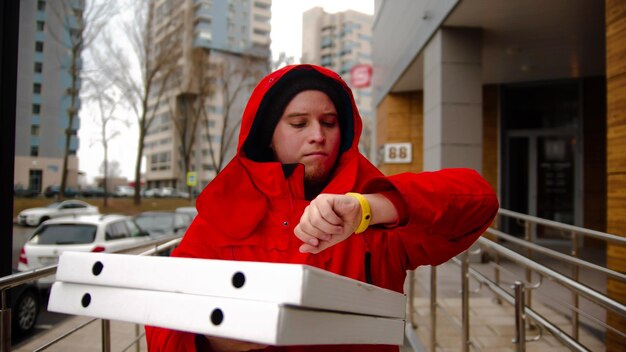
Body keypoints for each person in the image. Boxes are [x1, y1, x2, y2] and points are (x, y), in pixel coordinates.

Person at [146, 64, 499, 351]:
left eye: (329, 123)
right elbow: (163, 323)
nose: (317, 134)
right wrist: (214, 341)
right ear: (267, 135)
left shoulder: (372, 209)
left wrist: (371, 208)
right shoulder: (221, 216)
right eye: (299, 123)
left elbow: (478, 201)